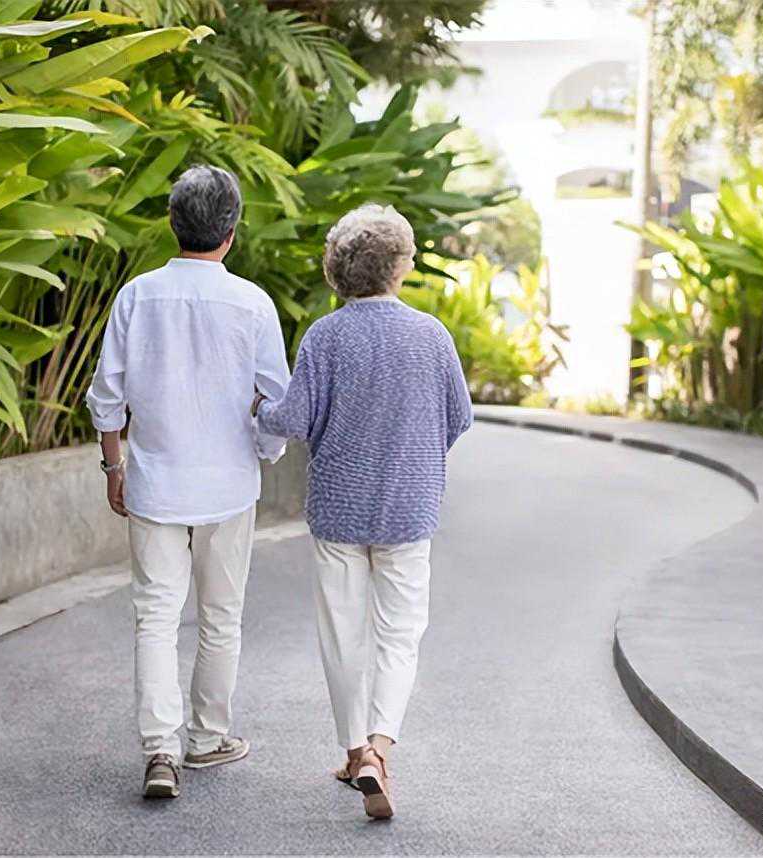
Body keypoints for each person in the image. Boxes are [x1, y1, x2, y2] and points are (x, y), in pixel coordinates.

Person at [254, 204, 473, 819]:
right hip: (409, 506)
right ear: (399, 266)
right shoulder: (432, 335)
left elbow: (294, 420)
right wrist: (415, 455)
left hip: (339, 508)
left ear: (338, 269)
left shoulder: (325, 337)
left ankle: (355, 752)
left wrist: (258, 410)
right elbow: (459, 417)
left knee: (342, 631)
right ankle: (380, 748)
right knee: (399, 634)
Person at [85, 165, 290, 800]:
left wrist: (114, 466)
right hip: (229, 488)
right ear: (232, 232)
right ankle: (206, 739)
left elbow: (106, 396)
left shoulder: (136, 297)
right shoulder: (252, 303)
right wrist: (263, 452)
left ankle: (160, 752)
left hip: (154, 484)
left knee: (154, 616)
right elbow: (276, 400)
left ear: (173, 224)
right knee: (220, 617)